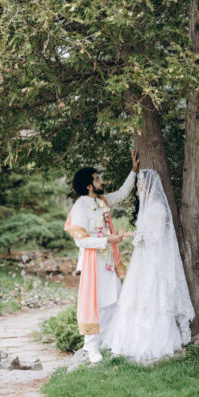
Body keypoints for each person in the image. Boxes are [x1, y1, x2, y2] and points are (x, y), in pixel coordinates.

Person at [101, 168, 194, 364]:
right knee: (138, 296)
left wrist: (131, 235)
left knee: (152, 294)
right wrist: (131, 235)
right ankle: (133, 340)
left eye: (139, 186)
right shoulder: (147, 208)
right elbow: (145, 234)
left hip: (154, 260)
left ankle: (155, 341)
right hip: (143, 258)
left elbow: (156, 236)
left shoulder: (157, 208)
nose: (137, 191)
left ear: (148, 186)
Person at [65, 151, 139, 363]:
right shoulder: (81, 206)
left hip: (108, 262)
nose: (102, 181)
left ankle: (112, 343)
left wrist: (134, 171)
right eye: (98, 179)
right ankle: (91, 348)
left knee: (113, 301)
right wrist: (108, 240)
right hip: (93, 264)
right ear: (89, 185)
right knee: (94, 303)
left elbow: (122, 193)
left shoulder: (102, 201)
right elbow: (81, 241)